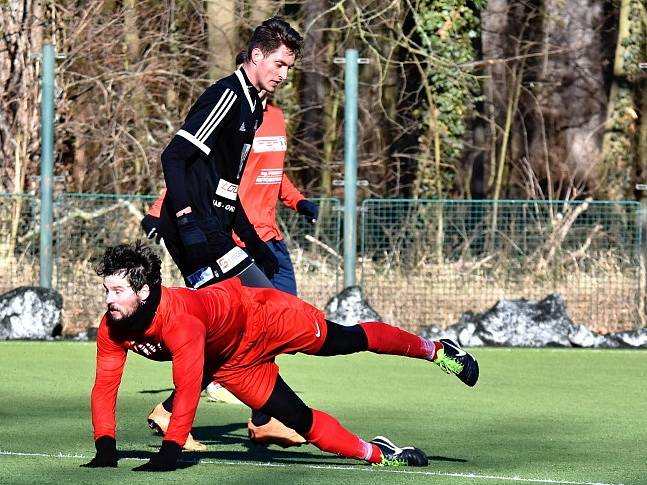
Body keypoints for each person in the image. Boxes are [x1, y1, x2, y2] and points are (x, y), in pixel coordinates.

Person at [81, 242, 479, 472]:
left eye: (116, 292)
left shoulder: (180, 322)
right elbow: (104, 387)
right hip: (233, 362)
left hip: (264, 317)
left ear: (144, 292)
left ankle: (437, 350)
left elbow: (187, 390)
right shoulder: (112, 325)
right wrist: (105, 449)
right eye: (106, 290)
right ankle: (378, 453)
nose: (107, 300)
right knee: (298, 420)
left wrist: (169, 453)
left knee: (345, 340)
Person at [139, 17, 305, 451]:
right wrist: (188, 220)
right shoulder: (227, 96)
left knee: (250, 320)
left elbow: (227, 190)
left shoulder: (254, 106)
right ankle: (254, 415)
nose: (284, 75)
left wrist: (252, 242)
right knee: (260, 314)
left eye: (289, 67)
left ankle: (233, 415)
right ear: (255, 56)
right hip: (193, 230)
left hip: (217, 227)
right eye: (279, 64)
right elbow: (173, 157)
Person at [232, 49, 318, 296]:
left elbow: (273, 171)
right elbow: (193, 167)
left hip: (270, 235)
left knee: (290, 312)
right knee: (247, 315)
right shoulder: (230, 118)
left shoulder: (277, 118)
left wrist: (299, 202)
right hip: (237, 238)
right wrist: (159, 210)